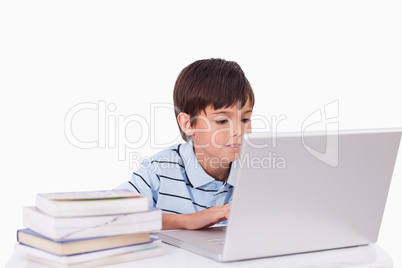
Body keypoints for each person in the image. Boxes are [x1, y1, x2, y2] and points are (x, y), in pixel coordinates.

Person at [116, 58, 255, 230]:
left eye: (245, 119)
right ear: (188, 124)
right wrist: (187, 221)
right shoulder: (159, 171)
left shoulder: (255, 172)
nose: (239, 131)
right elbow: (108, 214)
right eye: (221, 121)